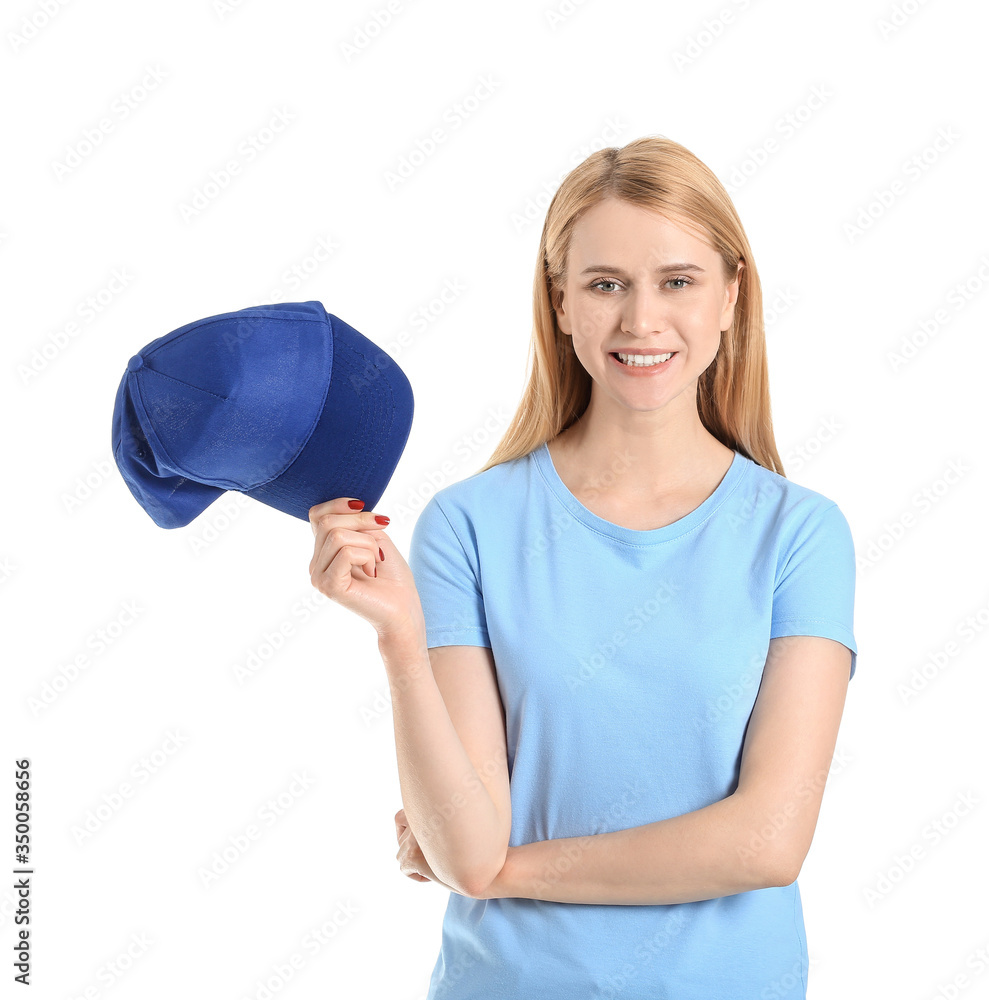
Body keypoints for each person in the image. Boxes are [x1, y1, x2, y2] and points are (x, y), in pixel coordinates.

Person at [307, 135, 858, 999]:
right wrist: (400, 642)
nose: (641, 321)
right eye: (605, 285)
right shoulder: (468, 524)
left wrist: (504, 868)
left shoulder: (799, 535)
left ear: (730, 298)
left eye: (677, 281)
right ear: (559, 302)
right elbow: (460, 846)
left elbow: (767, 842)